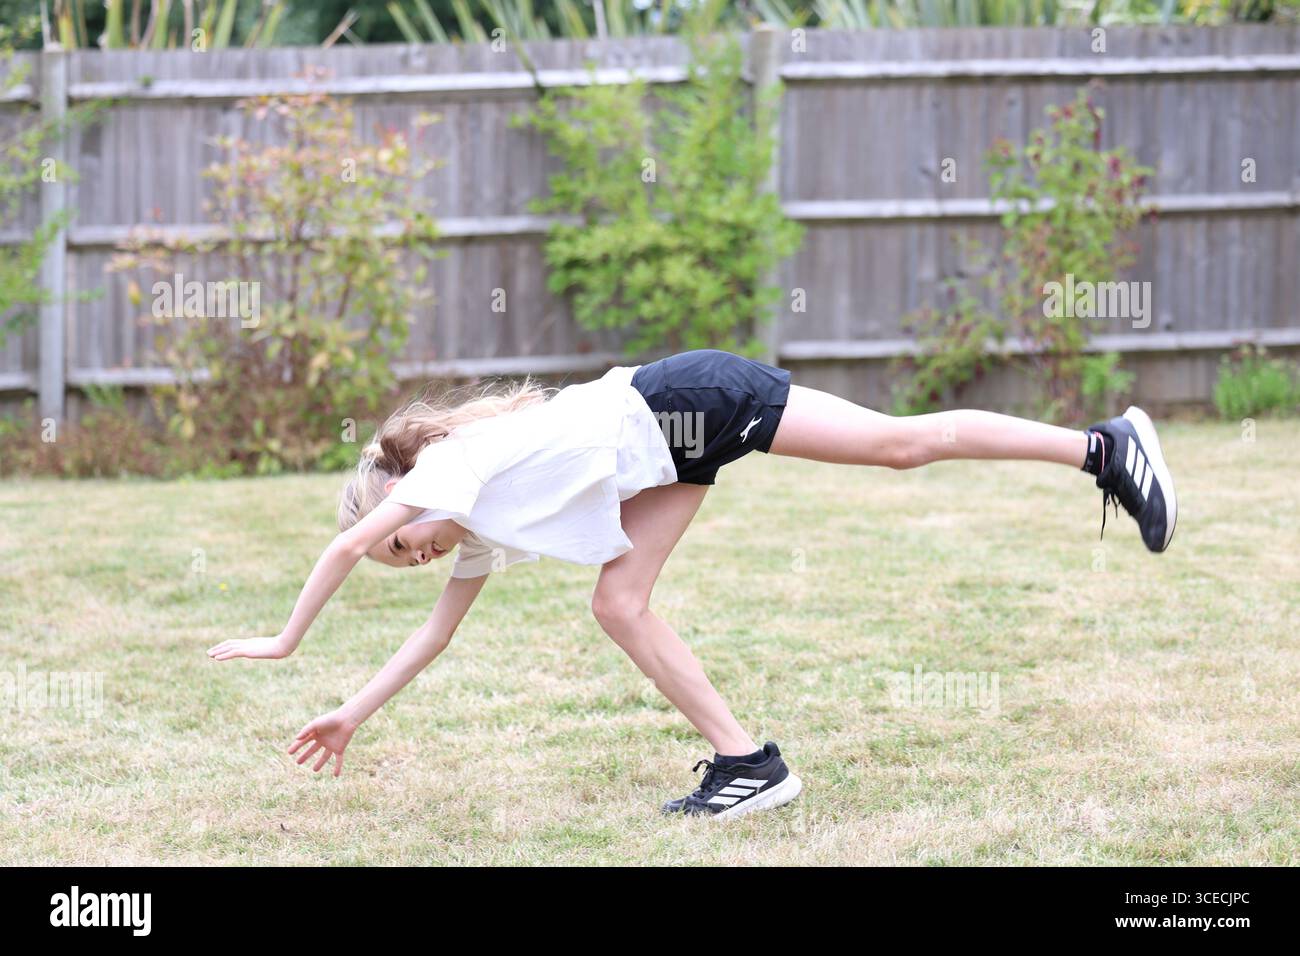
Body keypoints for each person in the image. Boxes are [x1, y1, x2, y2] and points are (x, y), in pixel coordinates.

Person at [207, 348, 1176, 820]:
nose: (412, 554)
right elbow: (432, 638)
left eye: (403, 541)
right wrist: (349, 712)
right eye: (405, 562)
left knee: (897, 443)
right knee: (616, 602)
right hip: (668, 443)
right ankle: (749, 762)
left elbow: (339, 551)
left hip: (685, 399)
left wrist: (287, 640)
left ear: (404, 492)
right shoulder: (476, 522)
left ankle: (1103, 447)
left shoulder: (447, 473)